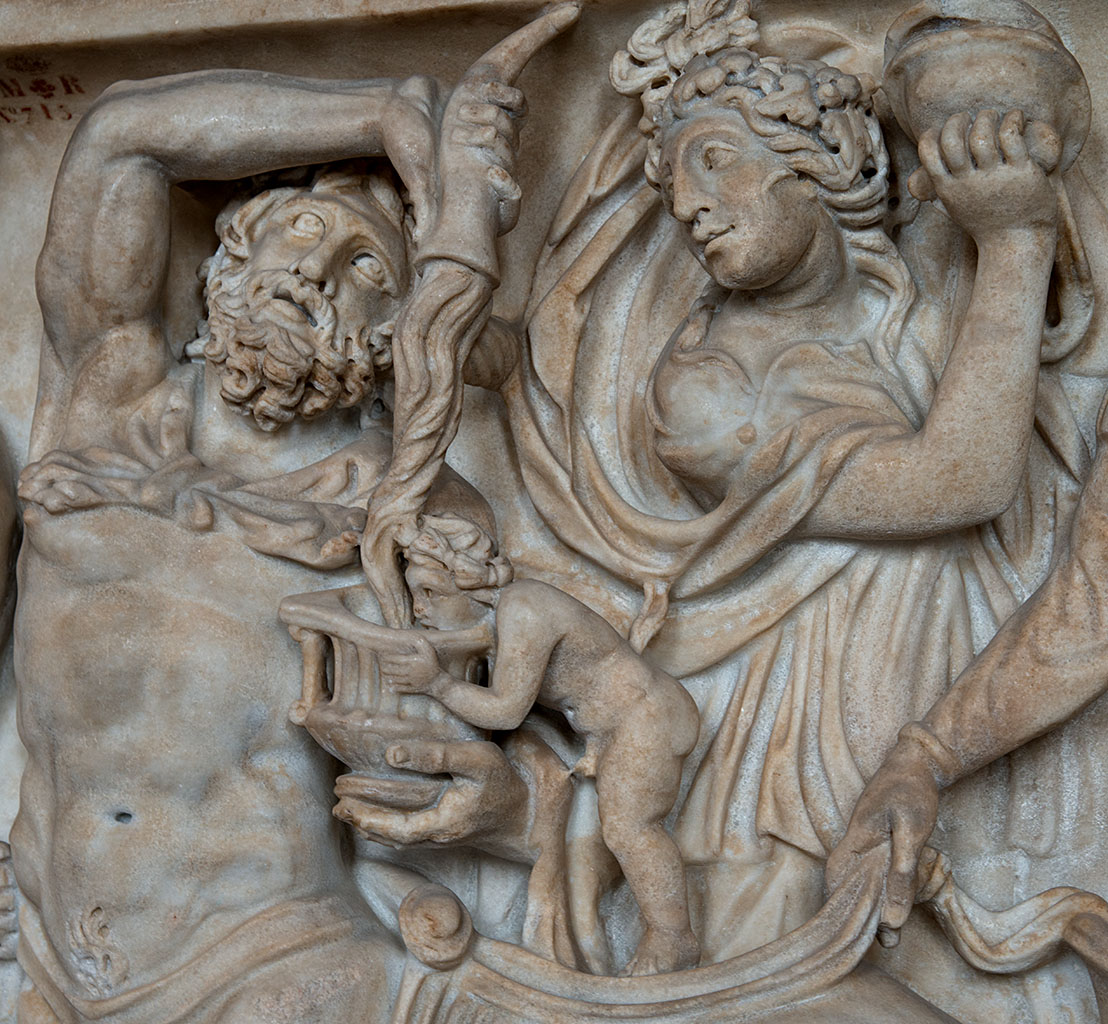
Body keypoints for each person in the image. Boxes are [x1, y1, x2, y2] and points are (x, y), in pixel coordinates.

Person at [11, 14, 575, 1020]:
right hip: (55, 966)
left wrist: (501, 798)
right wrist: (383, 113)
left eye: (368, 270)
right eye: (303, 231)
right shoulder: (104, 402)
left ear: (397, 333)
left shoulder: (405, 506)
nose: (317, 273)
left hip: (270, 965)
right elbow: (119, 134)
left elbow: (525, 714)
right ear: (230, 253)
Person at [376, 512, 700, 974]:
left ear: (471, 584)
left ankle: (673, 938)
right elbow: (470, 638)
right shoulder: (504, 614)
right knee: (615, 833)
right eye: (415, 595)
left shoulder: (524, 608)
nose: (420, 609)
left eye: (431, 593)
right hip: (616, 730)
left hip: (647, 719)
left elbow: (506, 710)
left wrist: (436, 684)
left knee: (630, 830)